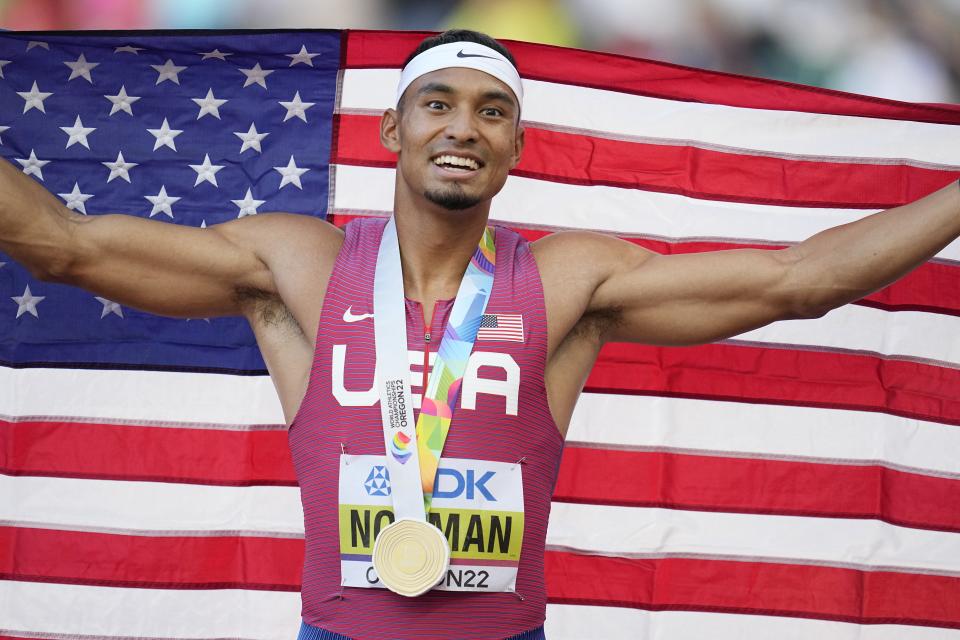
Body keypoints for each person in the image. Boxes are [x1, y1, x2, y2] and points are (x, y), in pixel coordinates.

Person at [1, 28, 959, 640]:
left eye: (492, 110)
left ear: (515, 146)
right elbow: (64, 247)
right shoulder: (298, 268)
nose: (465, 127)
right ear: (393, 129)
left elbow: (802, 283)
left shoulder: (568, 280)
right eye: (440, 104)